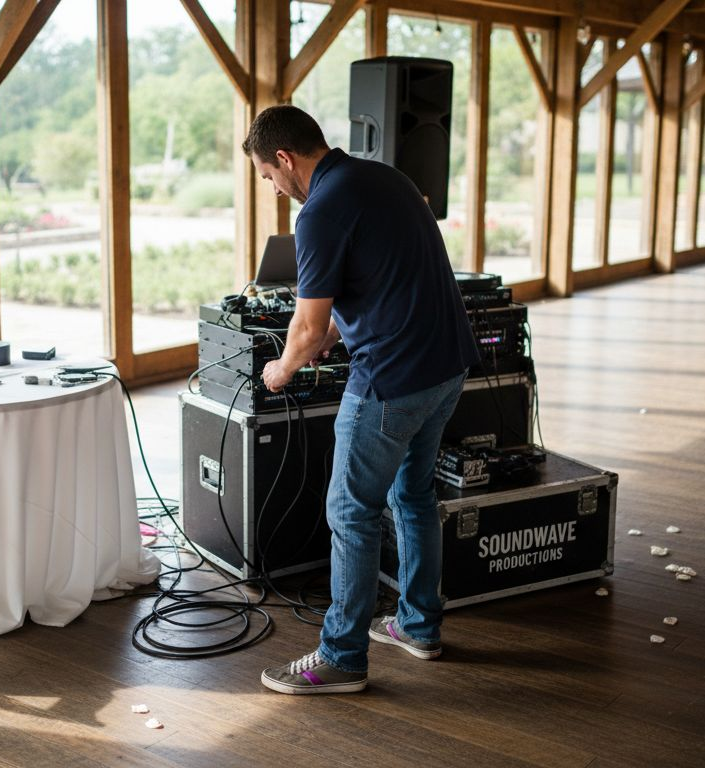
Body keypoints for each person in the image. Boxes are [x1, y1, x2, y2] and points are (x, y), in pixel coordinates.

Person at [242, 105, 479, 694]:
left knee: (350, 511)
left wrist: (281, 370)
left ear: (284, 159)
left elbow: (302, 330)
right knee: (414, 494)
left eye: (270, 179)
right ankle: (418, 625)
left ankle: (341, 657)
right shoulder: (386, 178)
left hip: (392, 382)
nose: (276, 191)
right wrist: (325, 339)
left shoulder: (318, 213)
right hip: (447, 367)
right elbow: (387, 281)